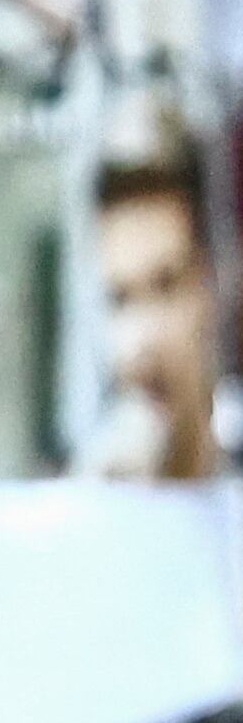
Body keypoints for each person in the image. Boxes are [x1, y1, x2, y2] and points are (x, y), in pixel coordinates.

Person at [91, 160, 227, 482]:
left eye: (166, 287)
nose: (141, 337)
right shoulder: (97, 491)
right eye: (120, 298)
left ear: (210, 289)